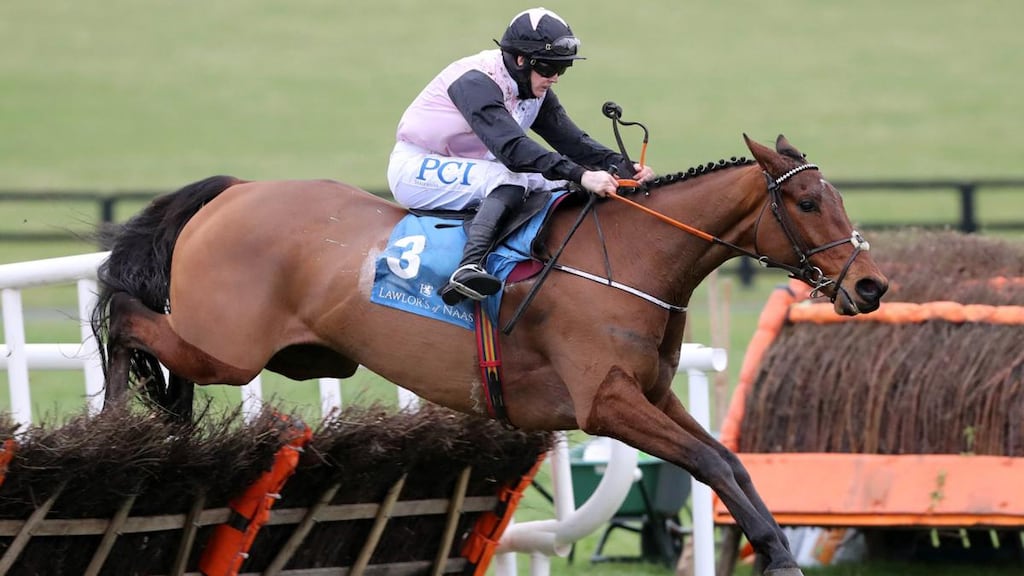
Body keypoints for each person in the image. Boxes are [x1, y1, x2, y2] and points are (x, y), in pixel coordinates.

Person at [387, 7, 656, 306]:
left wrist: (623, 166)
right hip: (416, 167)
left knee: (560, 185)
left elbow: (573, 141)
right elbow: (513, 151)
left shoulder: (532, 87)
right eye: (549, 68)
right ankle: (468, 267)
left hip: (477, 167)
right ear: (520, 60)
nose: (555, 78)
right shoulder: (476, 81)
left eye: (562, 69)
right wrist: (582, 174)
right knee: (512, 179)